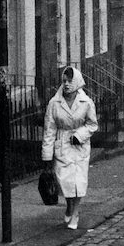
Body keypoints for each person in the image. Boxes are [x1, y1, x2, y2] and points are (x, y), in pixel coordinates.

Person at [41, 66, 98, 230]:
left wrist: (80, 135)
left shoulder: (86, 102)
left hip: (79, 146)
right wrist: (47, 155)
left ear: (77, 82)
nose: (66, 84)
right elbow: (49, 129)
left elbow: (92, 124)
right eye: (64, 81)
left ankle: (76, 212)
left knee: (79, 181)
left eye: (70, 81)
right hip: (62, 144)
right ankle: (69, 206)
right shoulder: (54, 102)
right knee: (65, 182)